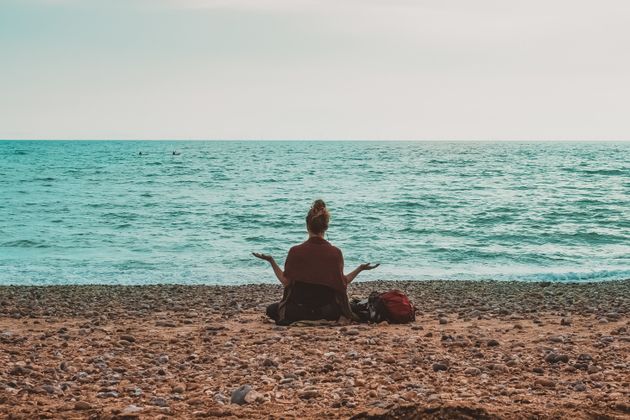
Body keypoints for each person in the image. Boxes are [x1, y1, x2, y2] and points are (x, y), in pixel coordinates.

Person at [253, 199, 379, 325]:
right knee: (350, 307)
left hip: (299, 310)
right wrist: (359, 269)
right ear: (326, 227)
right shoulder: (335, 252)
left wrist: (271, 261)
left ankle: (304, 318)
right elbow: (342, 284)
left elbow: (286, 282)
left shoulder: (295, 251)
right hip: (327, 311)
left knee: (272, 310)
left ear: (307, 226)